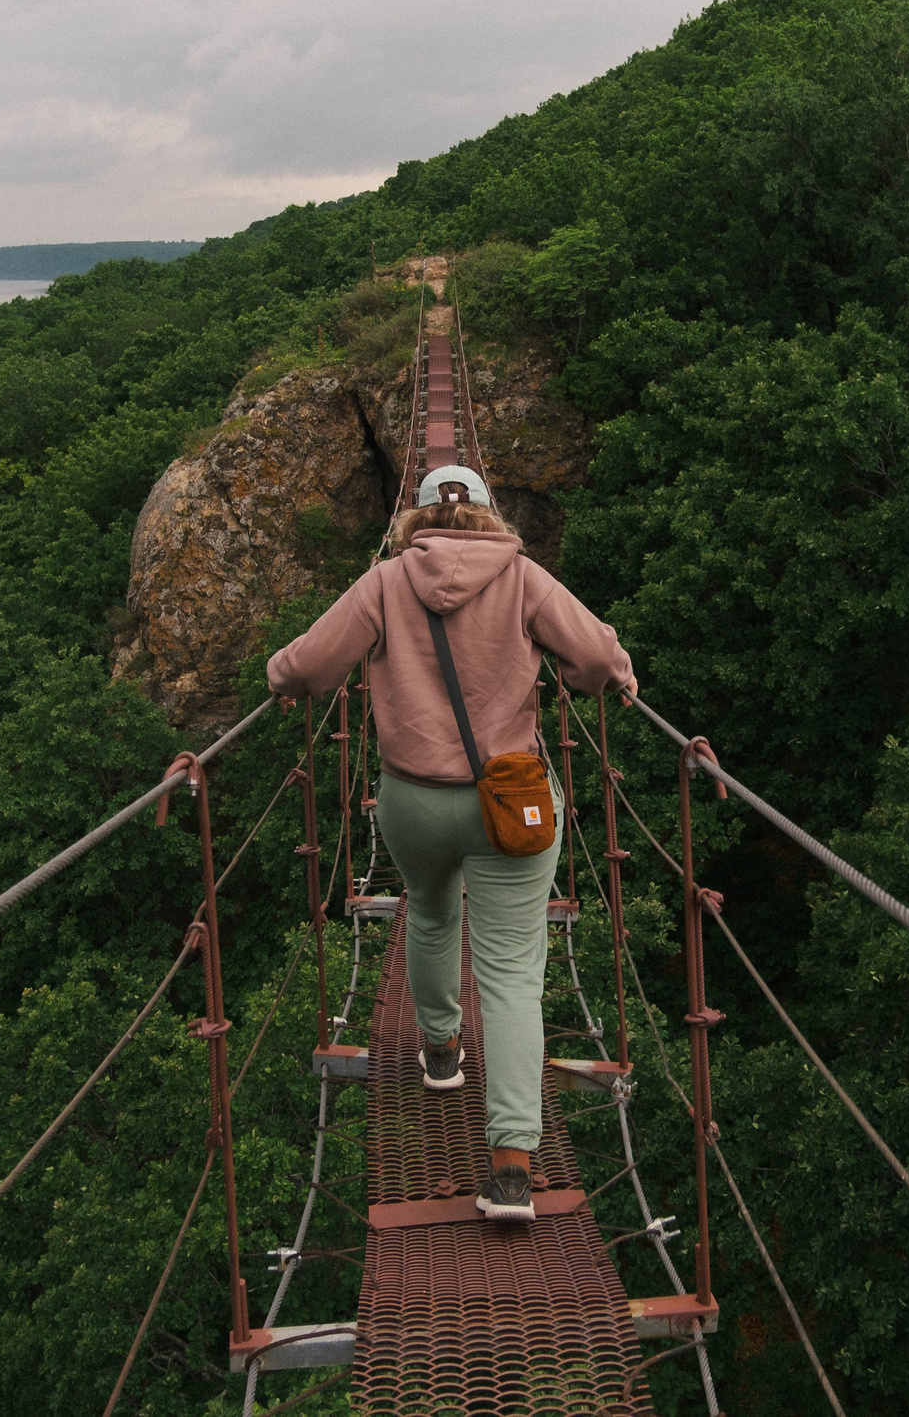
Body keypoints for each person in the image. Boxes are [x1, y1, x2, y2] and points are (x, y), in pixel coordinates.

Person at [266, 464, 636, 1220]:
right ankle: (512, 1167)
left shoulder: (385, 582)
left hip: (414, 799)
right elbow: (597, 660)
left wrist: (281, 678)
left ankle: (440, 1051)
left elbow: (309, 665)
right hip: (512, 801)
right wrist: (609, 677)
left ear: (417, 519)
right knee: (512, 973)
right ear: (490, 515)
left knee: (430, 910)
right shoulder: (523, 578)